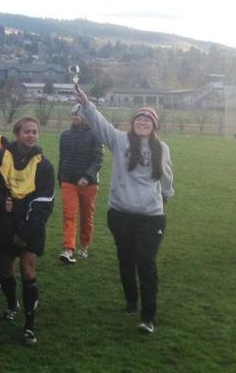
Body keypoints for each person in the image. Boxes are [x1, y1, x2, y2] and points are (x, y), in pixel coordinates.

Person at [74, 89, 173, 334]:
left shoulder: (162, 148)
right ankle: (131, 302)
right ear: (133, 123)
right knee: (126, 260)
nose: (142, 122)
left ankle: (148, 317)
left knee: (146, 262)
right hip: (120, 214)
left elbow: (167, 177)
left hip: (151, 216)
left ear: (154, 126)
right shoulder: (119, 141)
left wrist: (166, 197)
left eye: (147, 120)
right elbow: (101, 125)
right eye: (139, 119)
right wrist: (87, 104)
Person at [0, 117, 55, 346]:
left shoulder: (44, 165)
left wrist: (25, 231)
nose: (31, 135)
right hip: (4, 225)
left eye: (35, 132)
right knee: (6, 268)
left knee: (27, 269)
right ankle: (11, 304)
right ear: (17, 133)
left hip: (30, 226)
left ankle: (29, 325)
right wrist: (0, 203)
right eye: (27, 131)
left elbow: (44, 203)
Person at [57, 104, 104, 264]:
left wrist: (87, 176)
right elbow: (62, 158)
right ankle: (68, 249)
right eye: (73, 114)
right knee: (69, 215)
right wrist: (60, 178)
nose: (75, 117)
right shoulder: (65, 135)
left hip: (88, 184)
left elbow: (98, 159)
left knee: (86, 216)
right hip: (68, 181)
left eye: (78, 114)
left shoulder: (95, 135)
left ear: (85, 117)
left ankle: (84, 246)